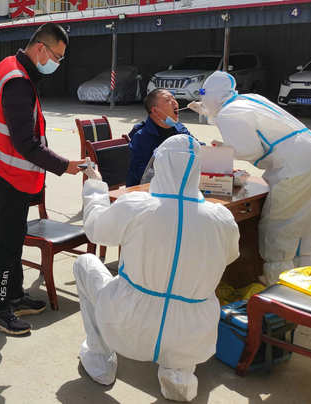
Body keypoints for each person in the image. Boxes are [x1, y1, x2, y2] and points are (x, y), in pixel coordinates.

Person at [75, 134, 240, 401]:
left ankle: (100, 361)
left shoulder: (137, 206)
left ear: (160, 164)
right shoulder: (221, 218)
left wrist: (95, 185)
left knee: (85, 264)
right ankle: (178, 377)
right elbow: (230, 256)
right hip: (190, 333)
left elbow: (95, 229)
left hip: (130, 322)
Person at [0, 23, 83, 335]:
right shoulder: (18, 82)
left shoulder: (11, 66)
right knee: (8, 243)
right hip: (4, 171)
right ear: (41, 48)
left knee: (12, 236)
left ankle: (14, 295)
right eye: (57, 56)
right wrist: (64, 165)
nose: (57, 63)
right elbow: (26, 144)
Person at [188, 71, 311, 285]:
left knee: (280, 228)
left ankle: (278, 289)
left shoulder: (229, 113)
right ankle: (305, 282)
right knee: (307, 227)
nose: (202, 98)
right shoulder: (249, 99)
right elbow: (245, 120)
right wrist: (206, 111)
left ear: (213, 95)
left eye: (203, 94)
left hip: (296, 166)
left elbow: (250, 150)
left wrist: (224, 148)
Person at [127, 88, 194, 187]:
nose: (174, 102)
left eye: (174, 98)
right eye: (168, 100)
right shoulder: (141, 136)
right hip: (147, 189)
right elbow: (141, 173)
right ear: (155, 111)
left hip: (177, 185)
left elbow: (196, 147)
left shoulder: (179, 128)